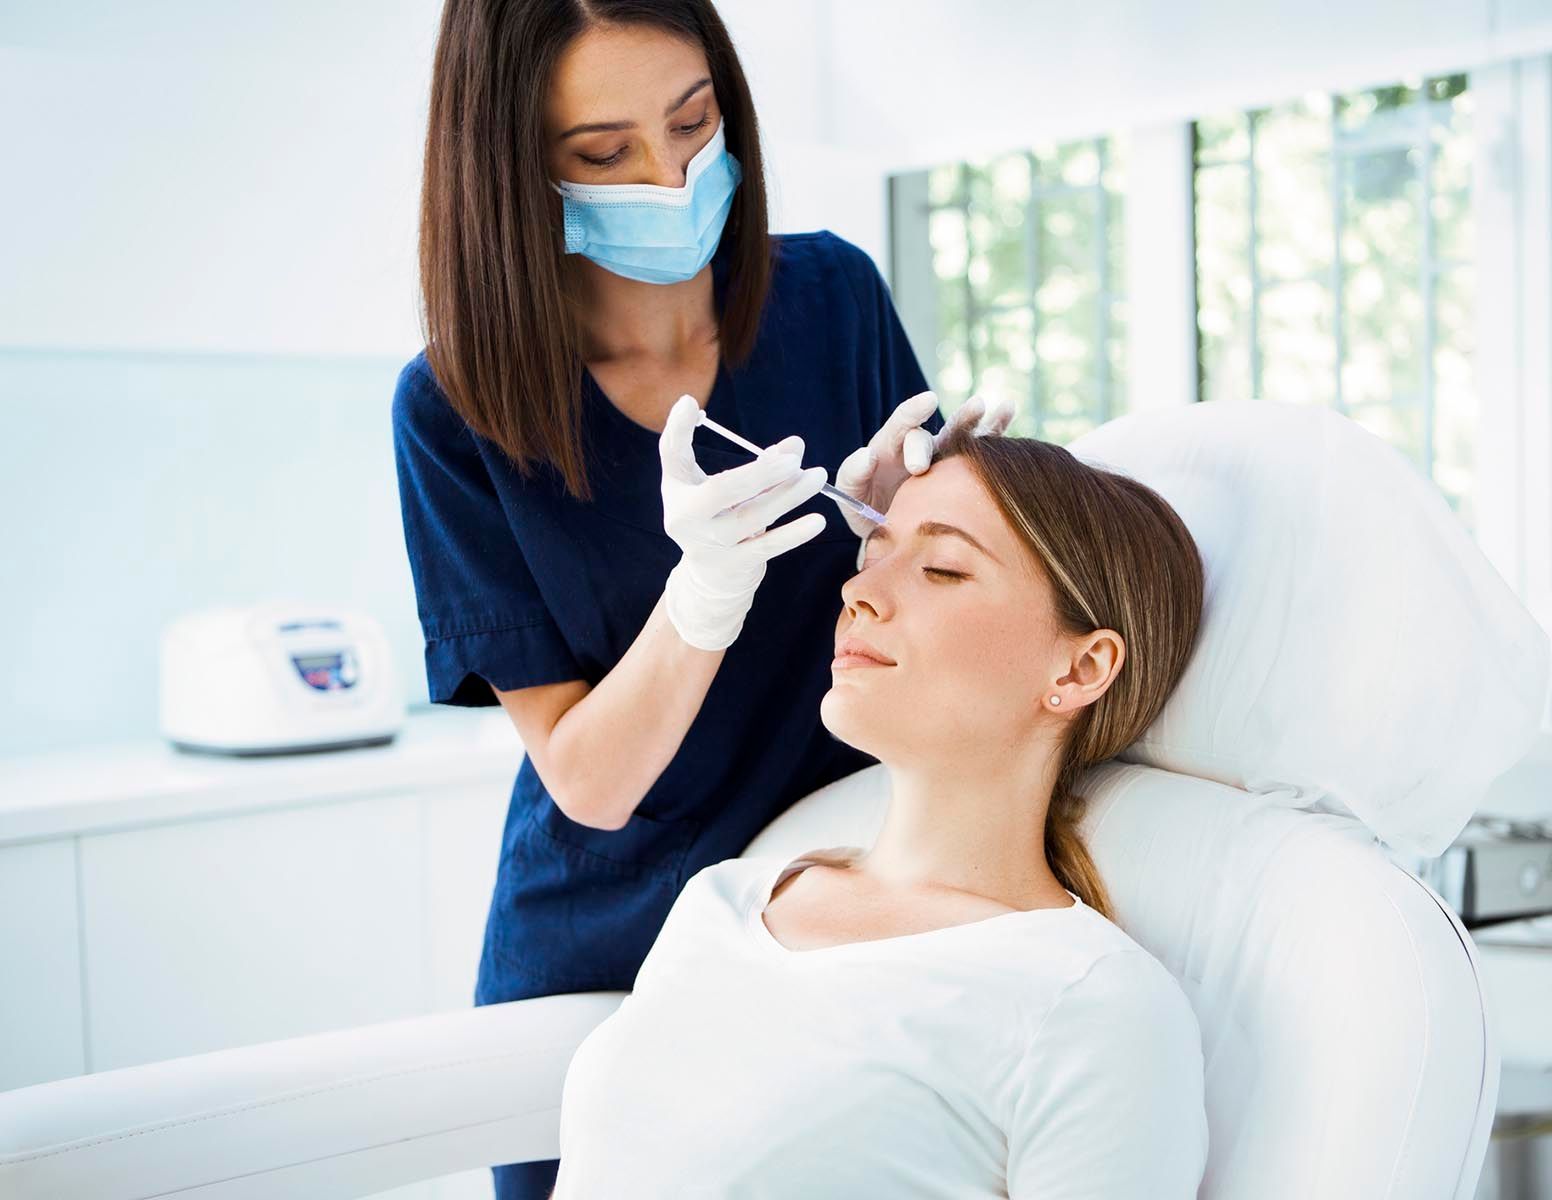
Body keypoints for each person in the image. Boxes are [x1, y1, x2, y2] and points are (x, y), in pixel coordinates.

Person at [390, 3, 1013, 1196]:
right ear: (515, 164)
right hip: (604, 949)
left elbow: (946, 634)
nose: (672, 178)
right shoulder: (459, 408)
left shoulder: (832, 297)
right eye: (603, 153)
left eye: (692, 122)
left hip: (827, 908)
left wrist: (908, 532)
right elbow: (589, 778)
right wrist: (700, 601)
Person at [550, 423, 1211, 1197]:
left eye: (941, 567)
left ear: (1083, 664)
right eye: (872, 553)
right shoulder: (727, 897)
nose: (857, 590)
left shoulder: (1091, 1008)